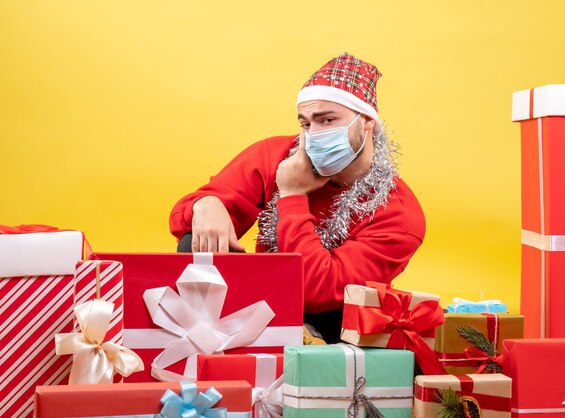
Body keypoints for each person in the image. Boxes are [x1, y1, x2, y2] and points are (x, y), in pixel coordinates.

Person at [169, 52, 426, 342]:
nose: (313, 135)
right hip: (255, 301)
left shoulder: (399, 214)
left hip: (333, 328)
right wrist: (206, 205)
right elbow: (181, 217)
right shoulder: (276, 155)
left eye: (327, 120)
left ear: (366, 120)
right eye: (306, 124)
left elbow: (320, 291)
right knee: (195, 241)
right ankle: (212, 348)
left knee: (333, 316)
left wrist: (292, 194)